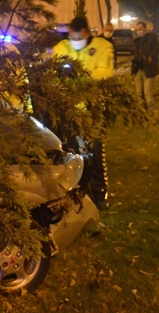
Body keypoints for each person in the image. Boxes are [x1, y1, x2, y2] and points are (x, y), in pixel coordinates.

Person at [53, 17, 114, 210]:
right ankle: (78, 192)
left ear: (87, 33)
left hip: (93, 109)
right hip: (69, 109)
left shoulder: (102, 47)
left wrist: (79, 76)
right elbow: (52, 75)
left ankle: (100, 194)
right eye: (71, 36)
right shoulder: (62, 47)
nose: (74, 39)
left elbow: (105, 73)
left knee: (96, 153)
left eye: (78, 36)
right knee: (73, 153)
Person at [132, 21, 159, 114]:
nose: (138, 31)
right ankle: (142, 114)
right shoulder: (136, 41)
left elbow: (153, 54)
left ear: (145, 29)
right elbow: (136, 54)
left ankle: (151, 115)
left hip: (148, 70)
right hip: (138, 70)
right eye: (136, 30)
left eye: (140, 29)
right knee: (139, 94)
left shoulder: (152, 39)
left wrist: (147, 57)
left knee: (148, 94)